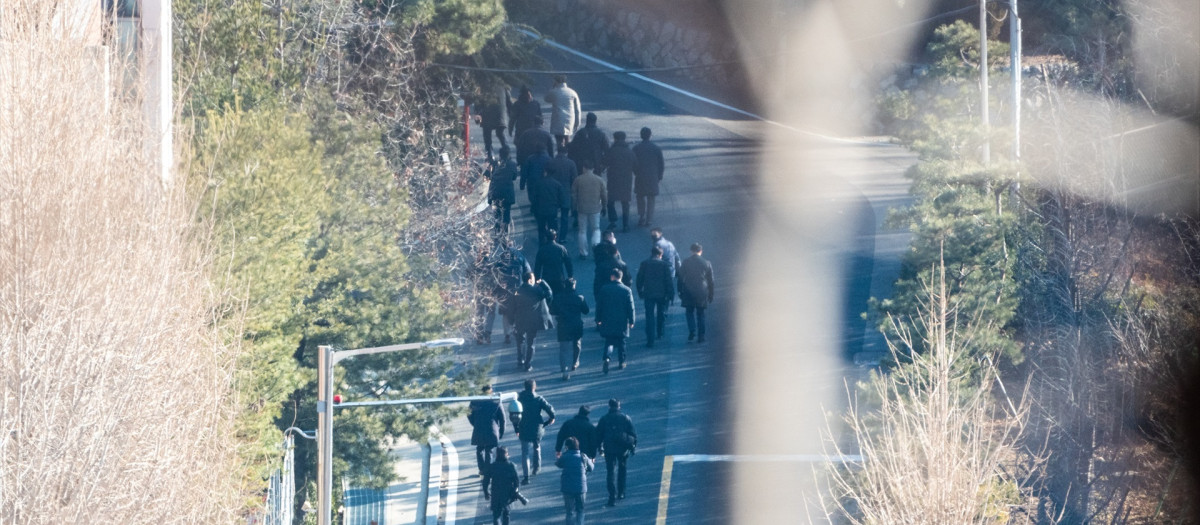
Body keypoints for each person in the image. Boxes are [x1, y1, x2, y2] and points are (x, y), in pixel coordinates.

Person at [596, 398, 637, 507]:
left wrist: (599, 447)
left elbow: (598, 435)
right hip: (622, 448)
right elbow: (632, 434)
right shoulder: (625, 418)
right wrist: (632, 447)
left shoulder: (604, 419)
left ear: (609, 406)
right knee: (622, 469)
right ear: (619, 406)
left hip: (609, 449)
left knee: (610, 472)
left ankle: (612, 496)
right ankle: (621, 492)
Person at [511, 271, 554, 371]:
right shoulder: (537, 290)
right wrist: (543, 283)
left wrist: (511, 320)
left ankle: (520, 359)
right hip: (532, 321)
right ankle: (528, 363)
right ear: (530, 280)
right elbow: (549, 294)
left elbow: (512, 306)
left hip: (520, 320)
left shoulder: (518, 291)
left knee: (520, 341)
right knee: (531, 343)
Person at [595, 268, 635, 373]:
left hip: (607, 319)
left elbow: (599, 306)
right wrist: (632, 320)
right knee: (622, 341)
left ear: (612, 277)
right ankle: (621, 362)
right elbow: (630, 307)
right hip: (621, 320)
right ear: (620, 277)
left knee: (609, 341)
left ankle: (607, 358)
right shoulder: (626, 290)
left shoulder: (604, 289)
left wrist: (598, 319)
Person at [517, 379, 556, 485]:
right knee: (537, 447)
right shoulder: (539, 399)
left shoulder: (520, 398)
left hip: (524, 427)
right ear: (534, 387)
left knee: (525, 452)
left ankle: (526, 476)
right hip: (537, 428)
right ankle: (536, 468)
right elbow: (550, 410)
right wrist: (551, 418)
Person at [469, 385, 506, 493]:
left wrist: (474, 423)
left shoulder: (475, 401)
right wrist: (501, 432)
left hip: (479, 429)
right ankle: (489, 472)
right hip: (492, 430)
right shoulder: (496, 402)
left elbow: (469, 414)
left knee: (479, 449)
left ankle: (482, 470)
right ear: (491, 391)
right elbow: (502, 419)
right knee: (489, 451)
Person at [550, 278, 589, 380]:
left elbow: (552, 311)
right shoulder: (579, 298)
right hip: (576, 324)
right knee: (577, 344)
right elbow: (586, 311)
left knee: (563, 349)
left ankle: (564, 369)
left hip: (563, 325)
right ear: (574, 286)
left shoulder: (558, 297)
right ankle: (575, 362)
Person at [636, 245, 675, 346]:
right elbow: (668, 281)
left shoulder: (644, 263)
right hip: (662, 294)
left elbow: (639, 279)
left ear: (651, 253)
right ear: (660, 254)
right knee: (661, 313)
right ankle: (660, 332)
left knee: (649, 316)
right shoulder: (664, 265)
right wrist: (671, 294)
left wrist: (640, 291)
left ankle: (650, 339)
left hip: (648, 293)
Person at [677, 242, 715, 343]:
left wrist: (680, 290)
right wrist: (711, 294)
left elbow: (680, 278)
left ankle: (692, 329)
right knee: (701, 313)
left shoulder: (686, 262)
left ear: (691, 251)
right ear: (701, 251)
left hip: (688, 290)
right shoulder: (707, 263)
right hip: (702, 291)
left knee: (689, 312)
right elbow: (711, 281)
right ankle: (701, 335)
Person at [497, 239, 531, 345]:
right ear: (513, 245)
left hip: (505, 290)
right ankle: (517, 329)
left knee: (505, 312)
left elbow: (496, 274)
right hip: (518, 288)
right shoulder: (520, 256)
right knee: (518, 309)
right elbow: (528, 270)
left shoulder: (501, 258)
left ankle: (507, 334)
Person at [571, 161, 606, 259]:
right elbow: (604, 195)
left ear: (584, 168)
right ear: (593, 169)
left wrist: (574, 208)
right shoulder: (599, 180)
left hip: (582, 208)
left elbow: (573, 195)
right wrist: (604, 206)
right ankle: (596, 248)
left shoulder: (578, 180)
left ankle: (583, 252)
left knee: (582, 231)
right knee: (596, 229)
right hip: (595, 208)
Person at [555, 436, 594, 525]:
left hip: (567, 488)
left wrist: (559, 456)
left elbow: (558, 464)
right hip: (581, 487)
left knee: (569, 512)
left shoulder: (565, 456)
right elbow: (591, 468)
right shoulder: (583, 456)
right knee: (580, 510)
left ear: (567, 447)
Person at [632, 127, 665, 227]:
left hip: (640, 176)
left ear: (641, 136)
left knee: (640, 196)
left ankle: (641, 216)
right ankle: (649, 219)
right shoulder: (656, 148)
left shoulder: (636, 148)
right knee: (651, 198)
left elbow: (633, 163)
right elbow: (661, 164)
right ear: (650, 135)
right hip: (653, 177)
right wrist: (659, 176)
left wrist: (636, 172)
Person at [603, 131, 635, 232]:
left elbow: (604, 162)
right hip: (626, 180)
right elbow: (636, 164)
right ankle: (625, 224)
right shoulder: (629, 152)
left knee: (611, 201)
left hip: (613, 179)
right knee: (625, 202)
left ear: (615, 139)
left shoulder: (611, 151)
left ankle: (613, 221)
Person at [531, 165, 568, 244]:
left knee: (541, 228)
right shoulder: (557, 184)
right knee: (553, 227)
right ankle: (553, 242)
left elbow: (534, 198)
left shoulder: (539, 183)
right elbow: (562, 199)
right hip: (552, 210)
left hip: (540, 210)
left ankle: (542, 243)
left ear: (545, 172)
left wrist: (534, 208)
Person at [545, 148, 578, 235]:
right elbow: (575, 178)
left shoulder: (551, 162)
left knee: (553, 215)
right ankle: (563, 236)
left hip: (553, 192)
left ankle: (553, 233)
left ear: (557, 152)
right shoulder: (571, 163)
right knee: (564, 215)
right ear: (566, 153)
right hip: (566, 191)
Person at [544, 74, 582, 149]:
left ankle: (560, 154)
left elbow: (546, 99)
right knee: (567, 137)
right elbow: (577, 109)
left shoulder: (554, 92)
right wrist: (577, 122)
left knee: (559, 140)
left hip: (558, 118)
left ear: (556, 81)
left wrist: (552, 87)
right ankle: (568, 153)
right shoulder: (572, 92)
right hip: (569, 118)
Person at [474, 85, 512, 160]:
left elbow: (478, 102)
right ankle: (507, 152)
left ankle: (490, 155)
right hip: (500, 115)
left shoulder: (483, 87)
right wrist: (510, 114)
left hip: (487, 115)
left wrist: (477, 115)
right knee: (501, 134)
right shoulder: (503, 87)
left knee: (487, 137)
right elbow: (509, 102)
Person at [534, 228, 574, 298]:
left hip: (546, 278)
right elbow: (568, 263)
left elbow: (538, 266)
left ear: (546, 237)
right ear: (555, 237)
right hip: (559, 278)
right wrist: (570, 276)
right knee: (560, 297)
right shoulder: (561, 248)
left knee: (548, 297)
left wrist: (537, 279)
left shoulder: (542, 250)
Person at [489, 447, 524, 525]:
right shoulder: (511, 466)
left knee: (496, 515)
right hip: (507, 493)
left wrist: (485, 491)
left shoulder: (493, 466)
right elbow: (516, 481)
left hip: (496, 493)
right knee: (506, 513)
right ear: (507, 454)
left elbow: (486, 479)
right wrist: (516, 491)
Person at [488, 147, 518, 233]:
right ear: (508, 154)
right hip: (507, 192)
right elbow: (514, 177)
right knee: (506, 214)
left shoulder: (494, 164)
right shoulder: (512, 164)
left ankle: (497, 231)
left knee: (497, 214)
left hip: (495, 191)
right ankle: (505, 234)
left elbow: (489, 176)